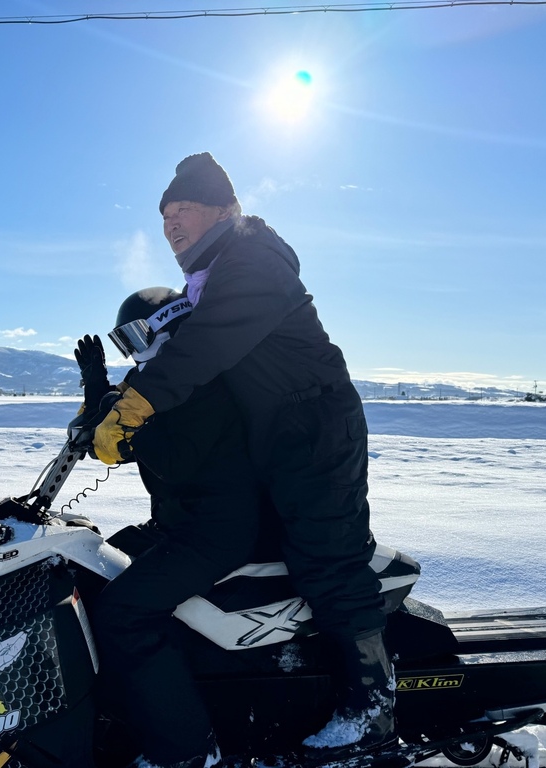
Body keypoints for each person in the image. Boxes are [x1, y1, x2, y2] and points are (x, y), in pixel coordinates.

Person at [92, 153, 394, 756]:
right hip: (273, 433)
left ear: (226, 210)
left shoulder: (252, 260)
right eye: (166, 216)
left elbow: (202, 348)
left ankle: (372, 707)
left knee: (325, 557)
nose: (173, 224)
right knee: (279, 556)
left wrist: (135, 406)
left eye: (186, 210)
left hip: (313, 427)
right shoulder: (209, 275)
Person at [76, 287, 271, 768]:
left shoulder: (202, 380)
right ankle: (117, 708)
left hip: (218, 531)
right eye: (124, 342)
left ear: (167, 325)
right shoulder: (160, 378)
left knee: (124, 612)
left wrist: (127, 435)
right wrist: (95, 383)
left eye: (135, 336)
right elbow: (103, 428)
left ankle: (185, 749)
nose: (133, 351)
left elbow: (172, 459)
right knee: (92, 571)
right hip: (180, 524)